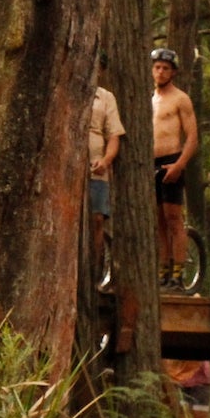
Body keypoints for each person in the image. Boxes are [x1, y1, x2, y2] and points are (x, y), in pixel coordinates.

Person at [151, 46, 198, 289]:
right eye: (157, 67)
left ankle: (178, 274)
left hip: (173, 160)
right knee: (158, 220)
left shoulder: (180, 99)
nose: (160, 72)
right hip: (152, 164)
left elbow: (192, 137)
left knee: (173, 218)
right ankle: (163, 270)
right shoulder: (151, 100)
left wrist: (180, 165)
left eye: (165, 68)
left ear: (173, 72)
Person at [86, 68, 125, 273]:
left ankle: (95, 271)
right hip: (70, 169)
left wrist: (106, 160)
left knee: (97, 218)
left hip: (96, 169)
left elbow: (114, 136)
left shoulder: (106, 97)